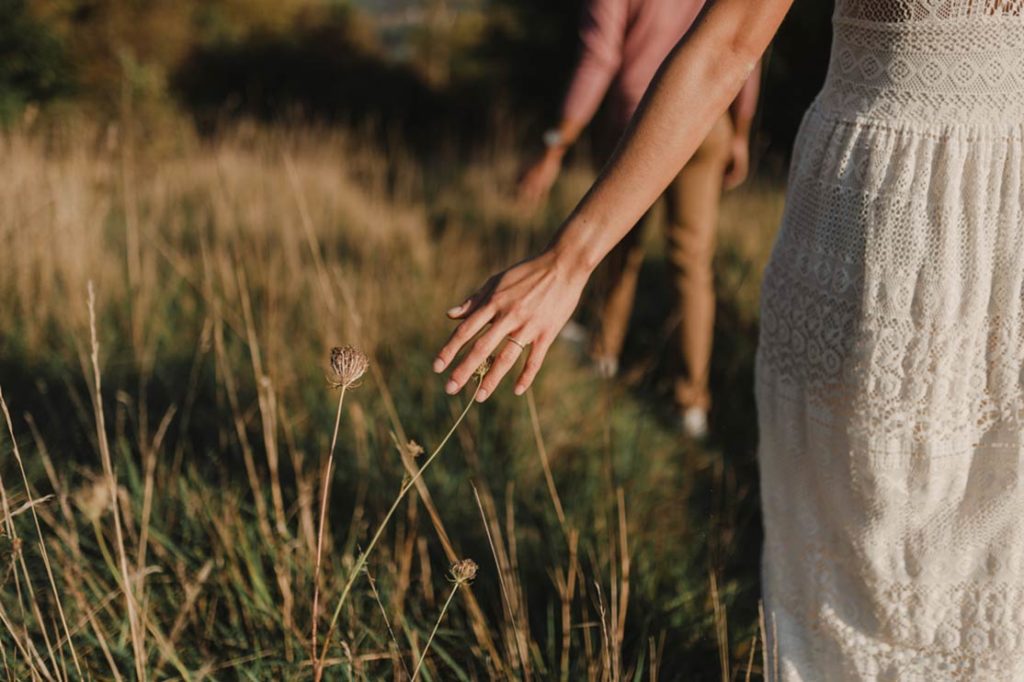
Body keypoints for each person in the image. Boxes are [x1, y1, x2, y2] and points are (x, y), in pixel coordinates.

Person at [435, 0, 1024, 676]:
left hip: (972, 224)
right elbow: (726, 49)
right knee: (878, 555)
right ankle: (679, 391)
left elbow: (665, 53)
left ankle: (650, 373)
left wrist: (558, 154)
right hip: (889, 228)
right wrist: (571, 256)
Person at [517, 0, 761, 439]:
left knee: (617, 245)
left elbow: (599, 58)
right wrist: (740, 132)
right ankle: (692, 405)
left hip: (640, 125)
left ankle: (605, 352)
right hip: (710, 124)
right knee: (692, 262)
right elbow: (744, 42)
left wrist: (555, 145)